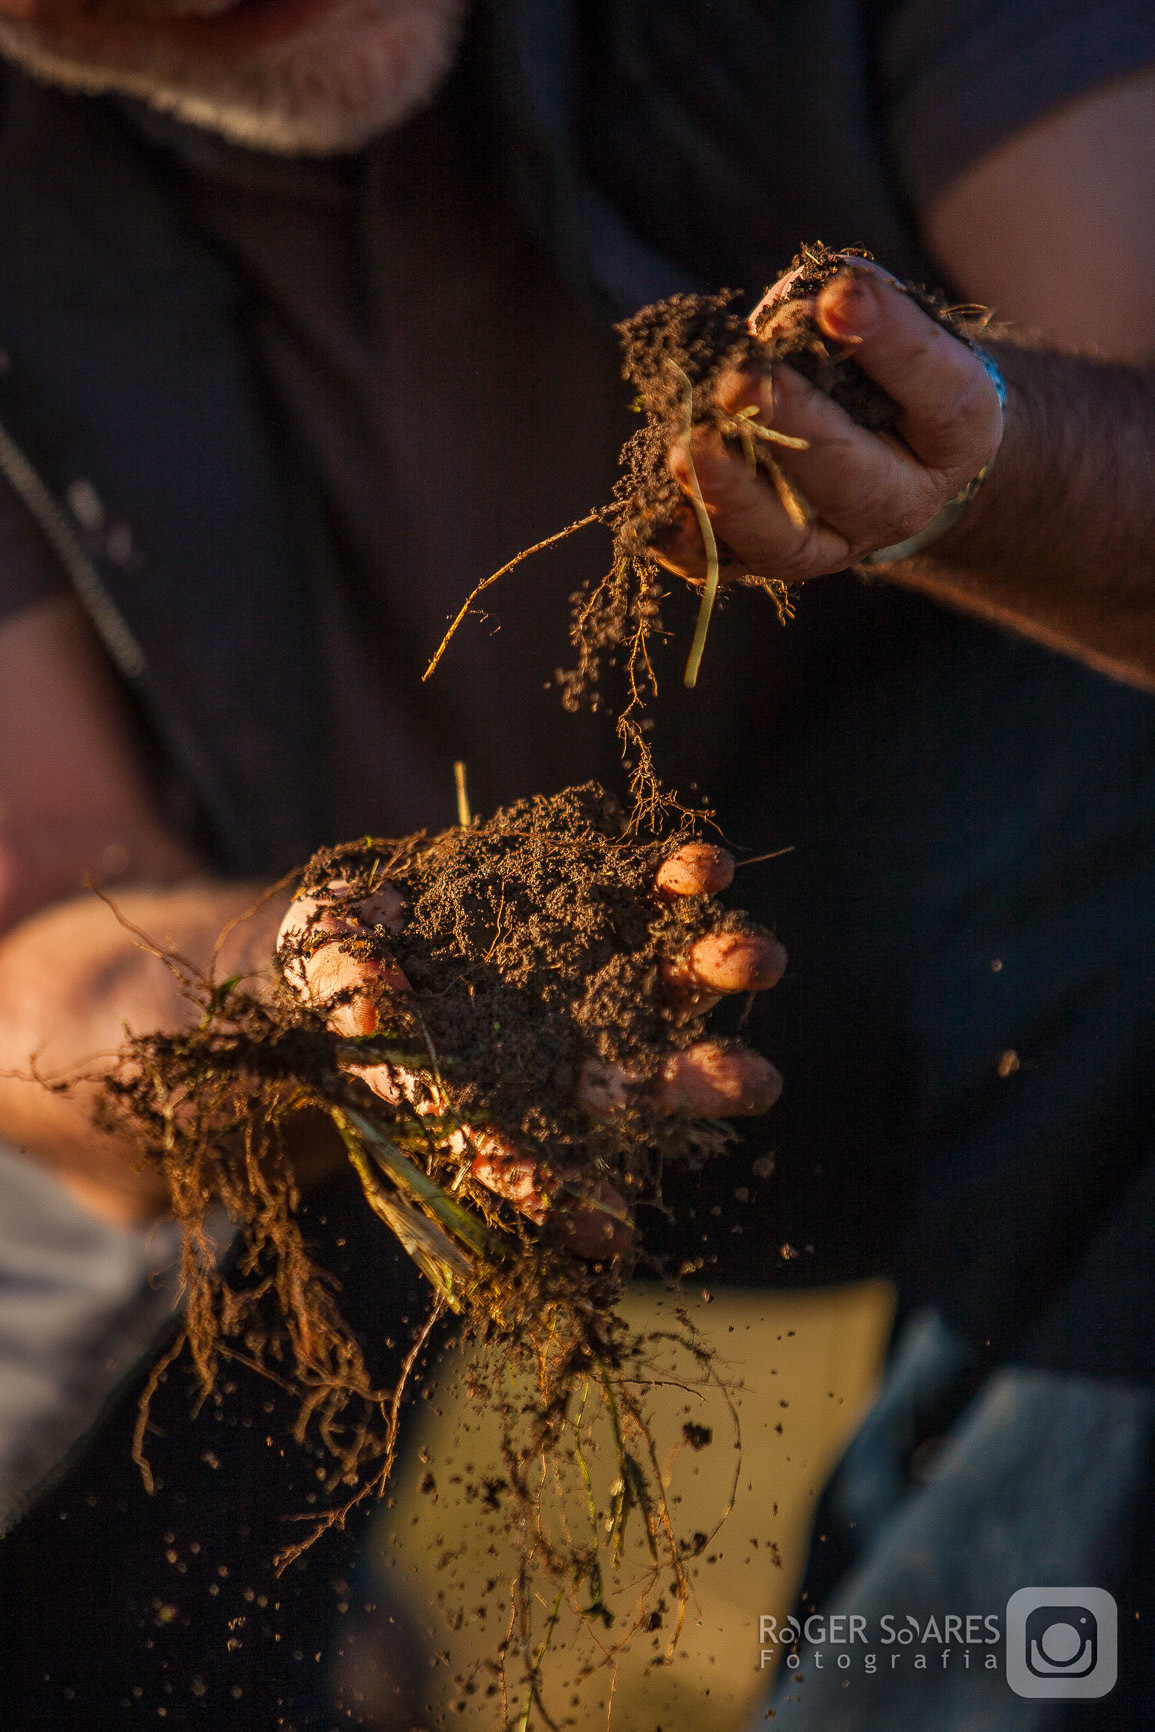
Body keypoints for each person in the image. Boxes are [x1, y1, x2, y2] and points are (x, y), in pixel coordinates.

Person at [0, 0, 1151, 1723]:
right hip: (294, 1060)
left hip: (925, 934)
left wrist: (993, 462)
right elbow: (38, 945)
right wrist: (297, 999)